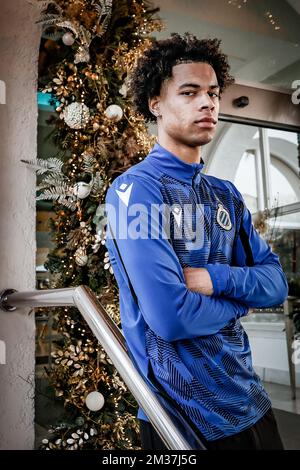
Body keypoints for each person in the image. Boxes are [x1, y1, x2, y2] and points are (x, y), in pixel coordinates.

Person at [105, 33, 288, 450]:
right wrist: (243, 299)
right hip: (184, 420)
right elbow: (170, 319)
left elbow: (276, 283)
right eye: (189, 92)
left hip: (250, 401)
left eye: (212, 93)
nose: (207, 103)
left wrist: (214, 277)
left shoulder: (225, 194)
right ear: (155, 103)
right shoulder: (136, 190)